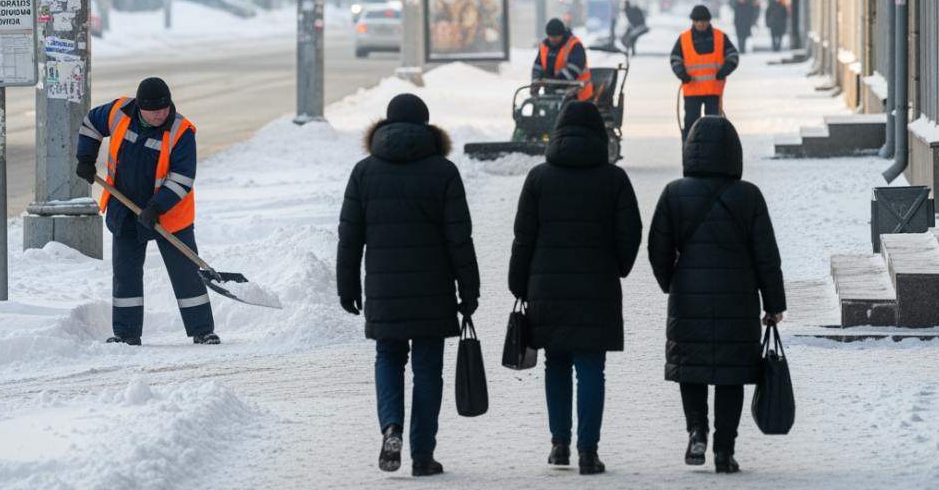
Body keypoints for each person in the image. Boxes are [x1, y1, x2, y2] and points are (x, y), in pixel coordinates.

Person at [336, 94, 480, 478]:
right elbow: (459, 239)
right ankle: (422, 456)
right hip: (433, 291)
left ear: (386, 125)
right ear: (427, 126)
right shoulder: (444, 171)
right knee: (428, 371)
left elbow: (350, 237)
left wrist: (346, 285)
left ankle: (391, 427)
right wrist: (470, 290)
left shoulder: (364, 171)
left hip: (384, 290)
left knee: (388, 358)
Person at [508, 101, 643, 476]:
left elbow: (523, 237)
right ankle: (588, 451)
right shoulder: (614, 179)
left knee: (556, 362)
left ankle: (558, 445)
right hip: (596, 285)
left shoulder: (538, 178)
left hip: (546, 286)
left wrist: (519, 283)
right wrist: (618, 267)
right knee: (591, 368)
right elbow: (630, 232)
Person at [647, 116, 787, 475]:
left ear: (690, 152)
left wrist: (672, 283)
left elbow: (657, 248)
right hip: (737, 300)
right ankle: (724, 451)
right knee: (731, 373)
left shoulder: (673, 193)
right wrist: (774, 305)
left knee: (690, 369)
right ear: (733, 153)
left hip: (688, 298)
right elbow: (766, 256)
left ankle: (697, 431)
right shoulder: (749, 196)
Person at [75, 77, 218, 346]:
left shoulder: (181, 131)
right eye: (154, 111)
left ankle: (203, 330)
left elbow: (182, 178)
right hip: (124, 208)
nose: (161, 114)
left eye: (165, 108)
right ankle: (126, 334)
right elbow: (92, 123)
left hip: (169, 212)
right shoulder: (119, 111)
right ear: (140, 107)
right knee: (125, 274)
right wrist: (85, 157)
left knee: (185, 272)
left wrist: (156, 206)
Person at [671, 5, 738, 142]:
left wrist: (725, 70)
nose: (701, 24)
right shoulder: (684, 39)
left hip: (713, 91)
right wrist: (682, 74)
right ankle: (689, 153)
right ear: (693, 21)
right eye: (698, 21)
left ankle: (713, 154)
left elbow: (733, 56)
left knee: (714, 126)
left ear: (709, 21)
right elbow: (675, 59)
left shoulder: (720, 37)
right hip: (691, 91)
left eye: (704, 21)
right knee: (691, 125)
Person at [533, 18, 592, 100]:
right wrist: (536, 83)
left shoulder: (574, 45)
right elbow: (538, 67)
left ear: (562, 34)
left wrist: (554, 81)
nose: (552, 39)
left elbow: (574, 70)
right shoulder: (544, 46)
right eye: (550, 36)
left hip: (578, 93)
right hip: (553, 93)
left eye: (556, 36)